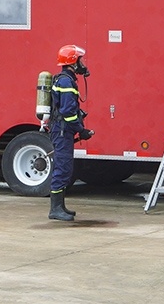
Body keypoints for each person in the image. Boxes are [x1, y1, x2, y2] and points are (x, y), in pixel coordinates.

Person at [48, 45, 93, 222]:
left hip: (63, 130)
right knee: (63, 168)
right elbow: (68, 111)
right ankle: (55, 209)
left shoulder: (66, 80)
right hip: (62, 131)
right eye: (80, 60)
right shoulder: (66, 82)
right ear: (72, 62)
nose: (83, 63)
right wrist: (80, 130)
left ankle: (60, 206)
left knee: (64, 167)